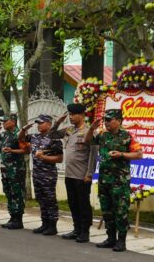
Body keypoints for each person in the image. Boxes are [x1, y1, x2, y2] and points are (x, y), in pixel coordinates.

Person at [85, 109, 143, 252]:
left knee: (120, 210)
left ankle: (121, 241)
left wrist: (121, 154)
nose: (106, 123)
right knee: (107, 210)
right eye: (105, 120)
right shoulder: (103, 135)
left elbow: (139, 154)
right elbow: (87, 141)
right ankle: (110, 238)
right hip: (104, 180)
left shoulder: (127, 136)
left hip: (120, 181)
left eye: (109, 120)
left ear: (118, 120)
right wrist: (92, 128)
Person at [49, 103, 98, 243]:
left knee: (83, 204)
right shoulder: (69, 130)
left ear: (82, 115)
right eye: (69, 114)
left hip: (82, 175)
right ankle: (76, 229)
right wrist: (58, 122)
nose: (71, 117)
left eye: (73, 114)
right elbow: (52, 134)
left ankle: (85, 231)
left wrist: (89, 174)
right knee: (73, 203)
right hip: (69, 174)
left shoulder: (89, 131)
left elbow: (93, 154)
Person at [18, 114, 64, 236]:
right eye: (38, 123)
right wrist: (23, 129)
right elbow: (21, 139)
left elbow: (59, 158)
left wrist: (43, 157)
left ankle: (52, 225)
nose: (39, 125)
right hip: (37, 173)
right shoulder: (34, 137)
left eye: (41, 123)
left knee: (50, 200)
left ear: (49, 124)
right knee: (40, 199)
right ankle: (44, 223)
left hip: (48, 174)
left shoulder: (54, 139)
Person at [0, 113, 29, 230]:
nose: (3, 123)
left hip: (16, 170)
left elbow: (26, 150)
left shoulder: (19, 134)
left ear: (13, 121)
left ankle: (18, 219)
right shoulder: (4, 134)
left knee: (16, 194)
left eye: (5, 121)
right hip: (5, 169)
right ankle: (12, 217)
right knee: (9, 193)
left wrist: (12, 150)